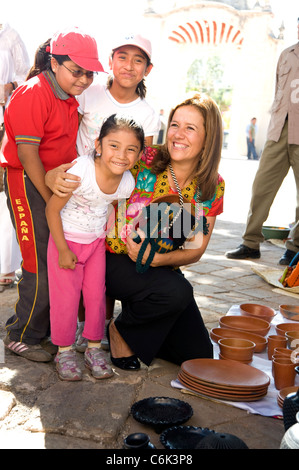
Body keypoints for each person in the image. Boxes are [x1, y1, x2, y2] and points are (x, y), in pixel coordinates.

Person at [0, 27, 105, 362]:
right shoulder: (33, 92)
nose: (84, 79)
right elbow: (29, 154)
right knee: (39, 262)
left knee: (57, 259)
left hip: (53, 184)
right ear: (54, 63)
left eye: (89, 73)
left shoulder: (67, 96)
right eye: (77, 71)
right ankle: (21, 335)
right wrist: (50, 201)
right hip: (27, 182)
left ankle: (41, 328)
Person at [104, 93, 225, 369]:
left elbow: (195, 249)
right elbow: (98, 163)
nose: (178, 134)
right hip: (112, 258)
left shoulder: (211, 185)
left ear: (209, 138)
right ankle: (119, 331)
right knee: (176, 292)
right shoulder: (145, 158)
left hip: (157, 264)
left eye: (190, 128)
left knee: (197, 354)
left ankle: (146, 321)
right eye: (175, 124)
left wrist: (157, 260)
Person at [46, 114, 144, 380]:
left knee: (95, 296)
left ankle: (92, 347)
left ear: (138, 155)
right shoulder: (81, 172)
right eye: (114, 145)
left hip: (96, 245)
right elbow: (51, 210)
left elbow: (109, 205)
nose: (121, 155)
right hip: (65, 241)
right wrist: (63, 249)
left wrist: (113, 230)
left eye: (131, 149)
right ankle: (64, 351)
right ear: (98, 145)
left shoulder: (126, 183)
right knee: (66, 299)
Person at [226, 19, 299, 265]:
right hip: (278, 131)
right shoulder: (286, 54)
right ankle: (250, 243)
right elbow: (279, 90)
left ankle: (294, 248)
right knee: (261, 188)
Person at [76, 32, 160, 156]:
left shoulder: (148, 115)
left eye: (138, 60)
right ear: (110, 62)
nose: (129, 66)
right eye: (122, 57)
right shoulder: (88, 94)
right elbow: (67, 137)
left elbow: (141, 161)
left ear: (148, 69)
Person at [0, 23, 30, 288]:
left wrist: (8, 86)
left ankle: (5, 266)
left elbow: (26, 78)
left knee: (6, 195)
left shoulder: (10, 35)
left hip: (3, 123)